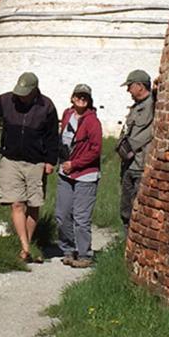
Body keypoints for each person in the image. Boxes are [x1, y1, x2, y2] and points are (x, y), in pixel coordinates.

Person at [0, 71, 59, 262]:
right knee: (16, 203)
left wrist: (50, 161)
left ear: (34, 91)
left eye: (25, 93)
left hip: (36, 161)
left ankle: (27, 245)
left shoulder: (46, 106)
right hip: (11, 160)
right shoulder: (7, 100)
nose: (21, 96)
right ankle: (24, 246)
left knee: (33, 204)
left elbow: (52, 136)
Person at [56, 83, 102, 268]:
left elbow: (96, 150)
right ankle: (68, 249)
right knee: (62, 215)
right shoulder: (67, 115)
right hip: (65, 173)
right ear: (73, 98)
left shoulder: (93, 122)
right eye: (78, 96)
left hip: (86, 175)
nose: (81, 99)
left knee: (81, 218)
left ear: (89, 100)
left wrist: (75, 164)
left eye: (85, 97)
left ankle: (84, 255)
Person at [118, 69, 155, 234]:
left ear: (140, 86)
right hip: (128, 165)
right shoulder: (136, 106)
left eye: (130, 86)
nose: (128, 90)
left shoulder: (153, 104)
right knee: (125, 209)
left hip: (140, 165)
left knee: (137, 209)